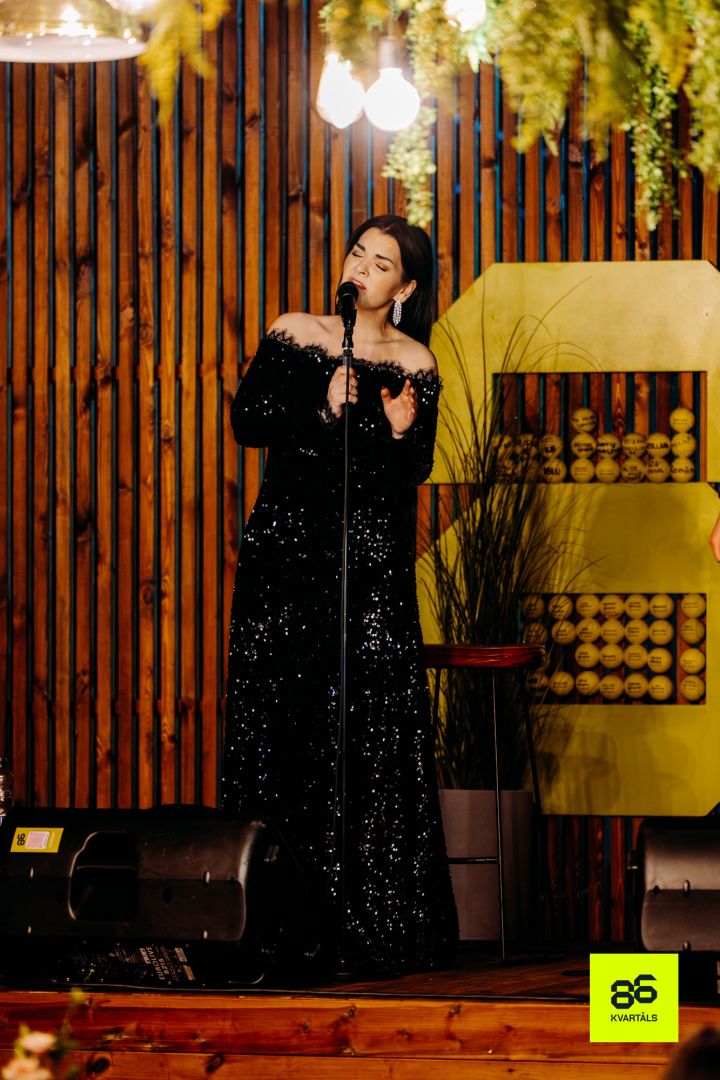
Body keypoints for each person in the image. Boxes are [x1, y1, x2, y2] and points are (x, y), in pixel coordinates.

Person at [222, 214, 458, 975]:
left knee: (368, 732)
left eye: (381, 263)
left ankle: (372, 926)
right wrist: (322, 406)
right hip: (287, 560)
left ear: (405, 287)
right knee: (282, 724)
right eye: (359, 253)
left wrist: (395, 432)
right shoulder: (296, 331)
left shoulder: (415, 362)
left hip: (369, 570)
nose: (361, 267)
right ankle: (272, 923)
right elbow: (248, 422)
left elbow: (411, 475)